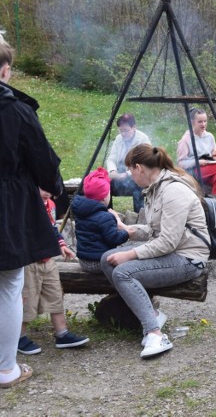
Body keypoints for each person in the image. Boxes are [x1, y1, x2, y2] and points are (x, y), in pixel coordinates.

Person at [100, 144, 210, 359]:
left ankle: (155, 334)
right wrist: (128, 230)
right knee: (107, 259)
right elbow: (154, 231)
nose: (130, 176)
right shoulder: (156, 189)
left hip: (188, 258)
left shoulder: (173, 191)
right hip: (173, 252)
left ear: (139, 167)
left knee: (123, 271)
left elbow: (167, 242)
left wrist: (129, 254)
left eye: (131, 171)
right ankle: (153, 315)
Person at [0, 31, 61, 387]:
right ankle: (6, 368)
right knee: (8, 284)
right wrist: (53, 187)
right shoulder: (16, 112)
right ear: (5, 70)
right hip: (7, 208)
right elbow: (44, 162)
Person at [18, 188, 90, 355]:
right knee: (27, 299)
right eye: (43, 188)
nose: (48, 192)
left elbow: (52, 228)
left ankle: (62, 333)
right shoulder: (25, 205)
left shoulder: (50, 204)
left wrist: (62, 245)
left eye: (50, 188)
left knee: (55, 294)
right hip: (29, 260)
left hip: (47, 258)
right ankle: (19, 337)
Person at [71, 167, 132, 274]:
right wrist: (126, 233)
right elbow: (113, 239)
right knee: (130, 256)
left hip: (83, 261)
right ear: (104, 197)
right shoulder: (105, 217)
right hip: (99, 262)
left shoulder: (81, 212)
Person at [176, 108, 216, 196]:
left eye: (205, 121)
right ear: (192, 122)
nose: (203, 124)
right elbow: (181, 163)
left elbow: (214, 152)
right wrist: (197, 162)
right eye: (200, 122)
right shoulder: (186, 140)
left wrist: (215, 156)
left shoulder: (210, 136)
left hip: (208, 167)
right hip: (194, 171)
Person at [106, 113, 151, 212]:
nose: (123, 134)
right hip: (120, 172)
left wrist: (127, 174)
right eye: (120, 130)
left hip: (138, 173)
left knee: (138, 185)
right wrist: (113, 171)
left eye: (126, 130)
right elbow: (111, 159)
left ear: (134, 127)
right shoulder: (118, 139)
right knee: (105, 184)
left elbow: (144, 163)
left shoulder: (143, 139)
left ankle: (139, 214)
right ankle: (109, 214)